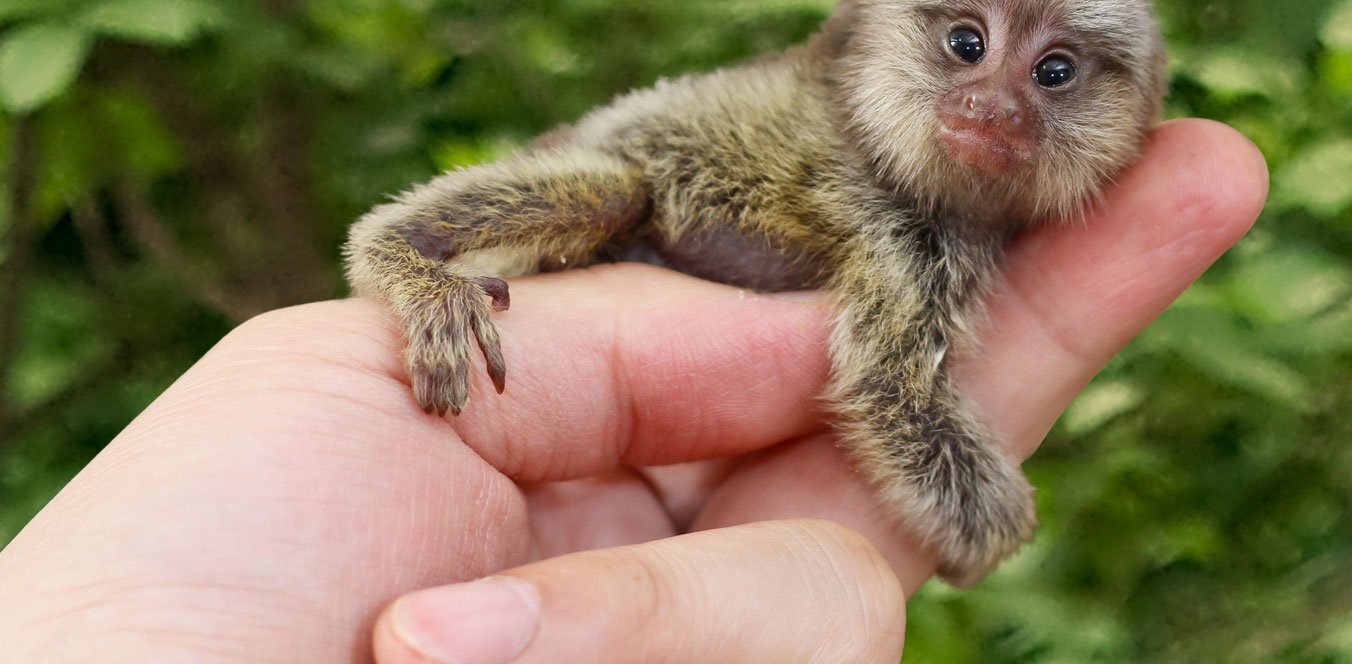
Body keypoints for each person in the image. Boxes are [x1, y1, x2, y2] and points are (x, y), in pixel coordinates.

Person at [0, 120, 1266, 663]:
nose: (993, 102)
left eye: (1057, 80)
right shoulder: (892, 195)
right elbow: (886, 382)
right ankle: (400, 257)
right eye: (963, 47)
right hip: (629, 204)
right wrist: (986, 513)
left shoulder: (962, 223)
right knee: (597, 191)